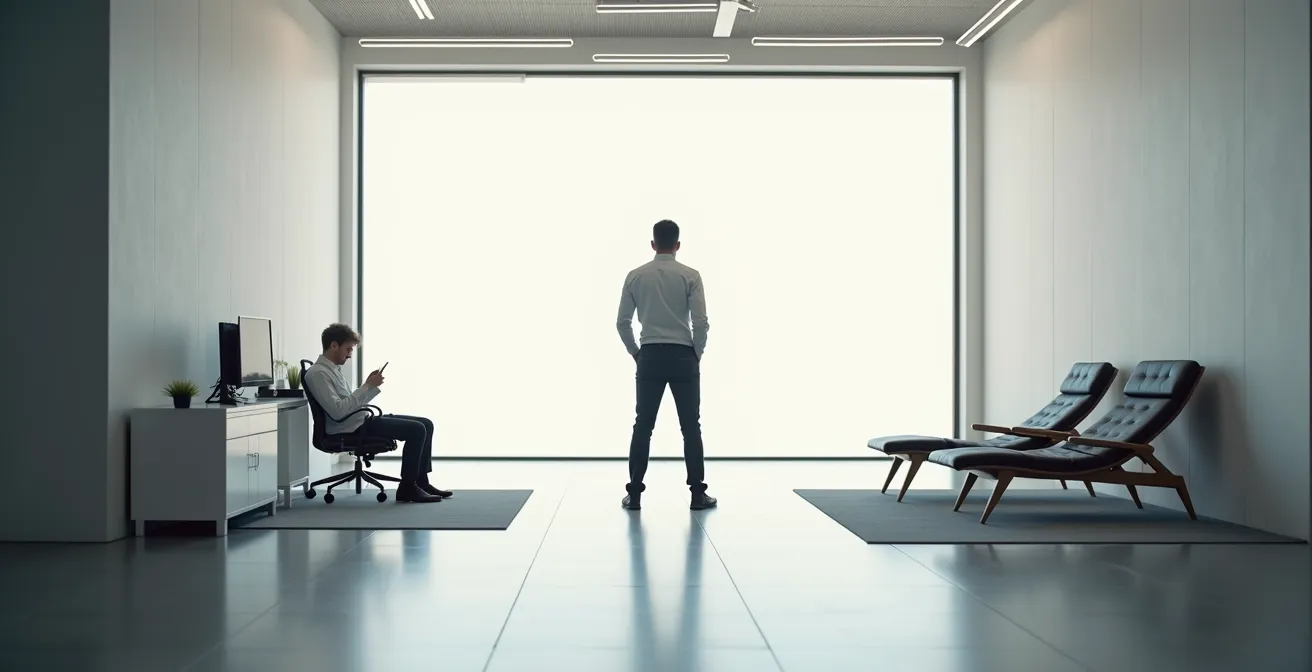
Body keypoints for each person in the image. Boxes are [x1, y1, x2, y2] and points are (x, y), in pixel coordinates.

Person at [616, 220, 716, 511]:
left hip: (649, 355)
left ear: (652, 244)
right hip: (684, 356)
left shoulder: (635, 276)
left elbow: (622, 322)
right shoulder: (691, 276)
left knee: (643, 426)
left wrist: (636, 352)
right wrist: (697, 352)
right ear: (678, 245)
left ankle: (634, 494)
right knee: (691, 427)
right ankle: (698, 494)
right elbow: (701, 322)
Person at [302, 323, 451, 504]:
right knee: (417, 430)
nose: (349, 355)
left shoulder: (332, 370)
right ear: (334, 345)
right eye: (348, 349)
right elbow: (338, 412)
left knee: (426, 423)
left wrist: (368, 386)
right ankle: (407, 488)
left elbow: (348, 404)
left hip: (359, 421)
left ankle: (421, 482)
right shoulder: (318, 374)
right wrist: (367, 386)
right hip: (350, 428)